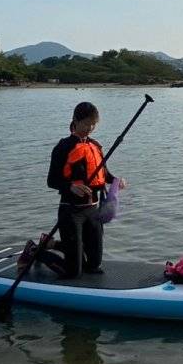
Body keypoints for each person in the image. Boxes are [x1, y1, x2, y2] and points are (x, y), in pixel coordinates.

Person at [45, 101, 126, 278]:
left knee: (94, 265)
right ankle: (38, 250)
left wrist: (116, 180)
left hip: (93, 211)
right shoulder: (64, 147)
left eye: (93, 124)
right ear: (75, 120)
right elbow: (52, 180)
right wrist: (71, 186)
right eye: (86, 123)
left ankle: (56, 245)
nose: (90, 128)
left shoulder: (95, 146)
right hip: (71, 211)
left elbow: (104, 174)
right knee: (73, 272)